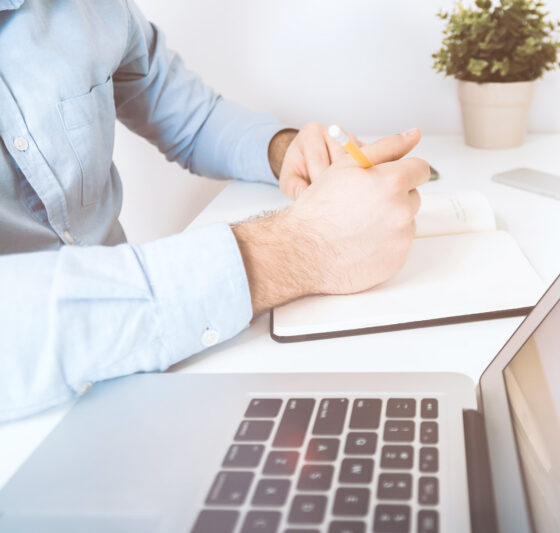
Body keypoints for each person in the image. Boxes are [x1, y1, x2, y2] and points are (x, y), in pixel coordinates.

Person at [0, 0, 429, 421]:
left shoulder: (93, 9)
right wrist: (303, 246)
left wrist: (285, 150)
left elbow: (194, 119)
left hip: (146, 370)